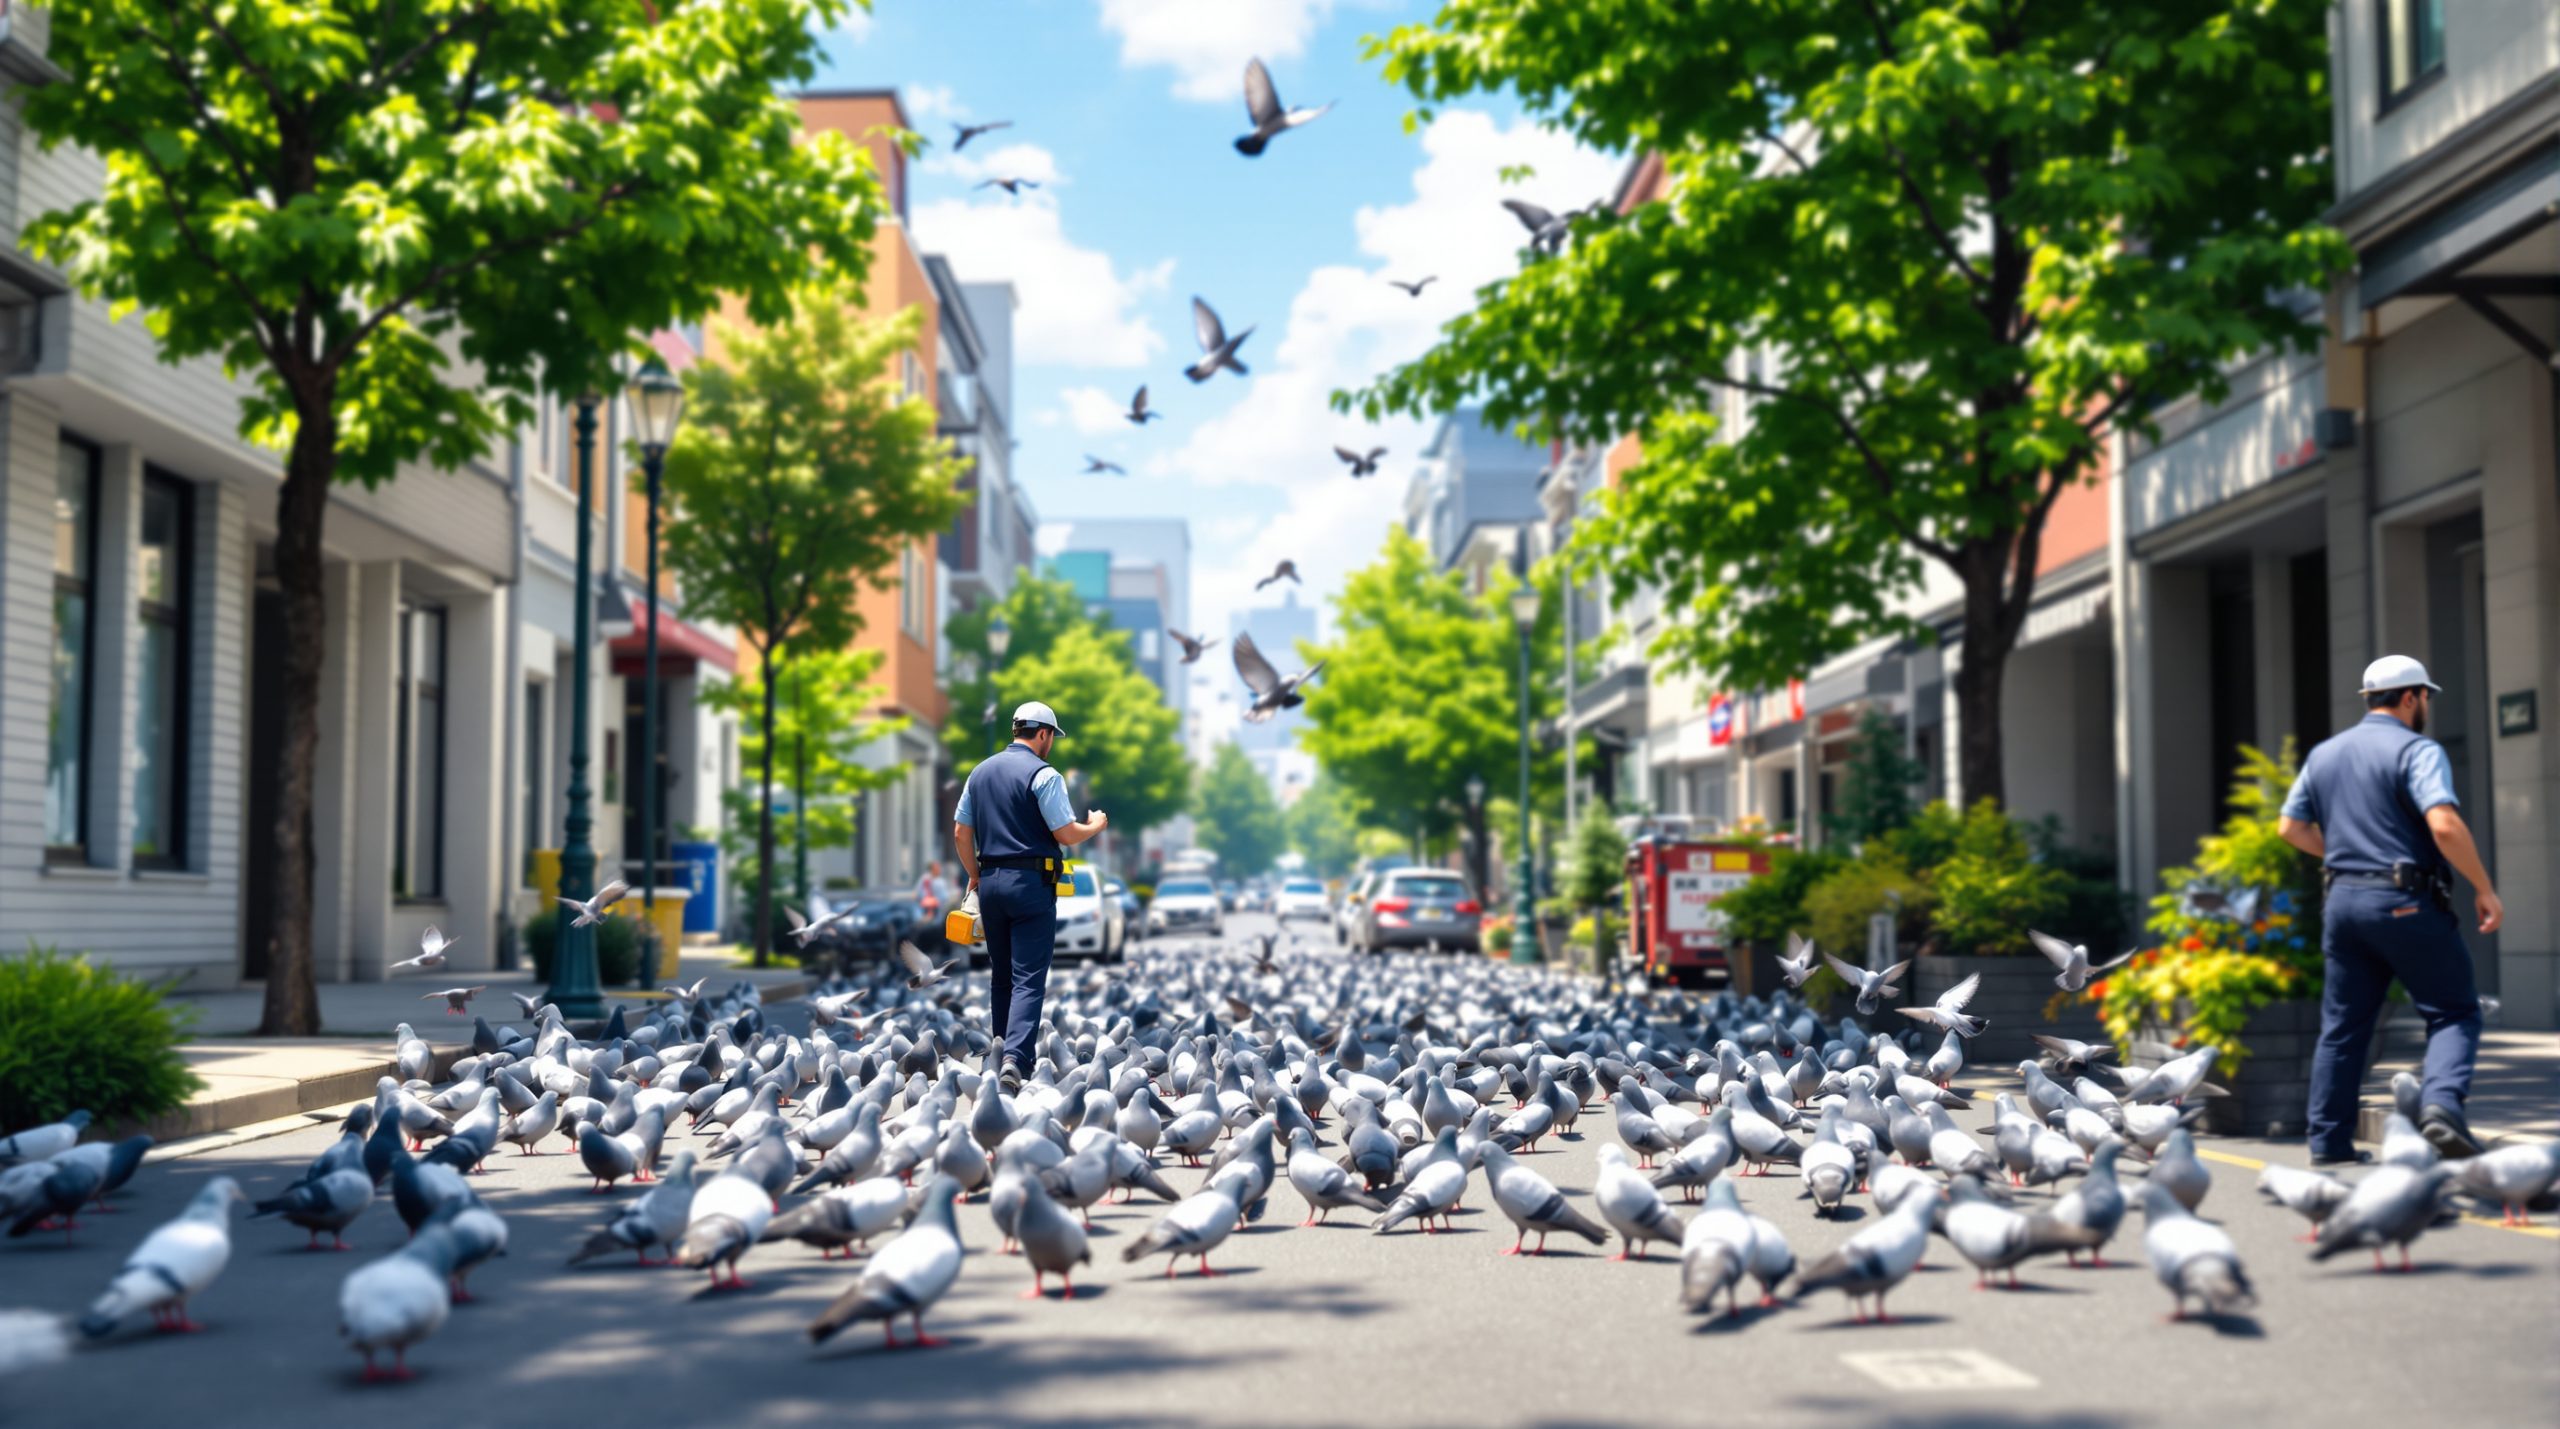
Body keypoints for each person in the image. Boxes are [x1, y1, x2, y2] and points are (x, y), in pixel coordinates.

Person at [2278, 655, 2502, 1165]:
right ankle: (2442, 1108)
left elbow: (2289, 828)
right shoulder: (2418, 750)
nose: (2426, 707)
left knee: (2343, 1026)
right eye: (2426, 697)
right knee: (2454, 1010)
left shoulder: (2326, 754)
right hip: (2404, 900)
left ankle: (2329, 1144)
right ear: (2410, 697)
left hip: (2343, 902)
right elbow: (2443, 825)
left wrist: (2345, 856)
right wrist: (2484, 887)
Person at [951, 701, 1108, 1094]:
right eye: (1051, 736)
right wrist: (1094, 825)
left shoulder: (979, 772)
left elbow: (959, 832)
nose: (1051, 743)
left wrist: (974, 875)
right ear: (1042, 733)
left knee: (1001, 975)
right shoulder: (1045, 775)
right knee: (1028, 978)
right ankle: (1015, 1061)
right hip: (1031, 885)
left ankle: (1000, 1046)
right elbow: (1065, 834)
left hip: (990, 882)